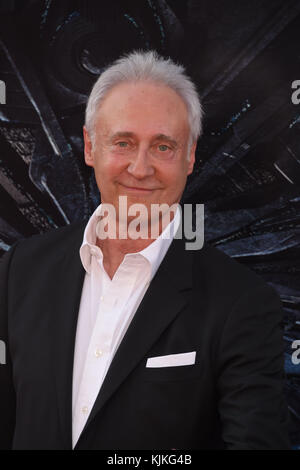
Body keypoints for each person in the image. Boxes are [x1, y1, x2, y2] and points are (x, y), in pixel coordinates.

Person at [0, 50, 290, 450]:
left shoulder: (242, 303)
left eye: (163, 147)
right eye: (123, 142)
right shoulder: (19, 272)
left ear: (189, 156)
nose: (140, 168)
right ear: (90, 147)